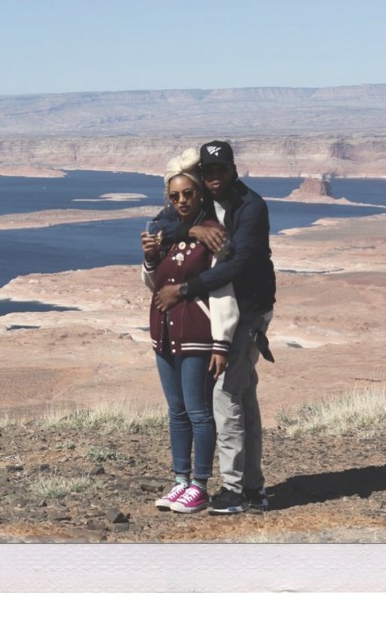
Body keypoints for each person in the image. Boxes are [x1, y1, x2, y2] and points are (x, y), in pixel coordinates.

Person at [151, 141, 276, 515]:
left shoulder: (251, 207)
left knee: (224, 397)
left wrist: (185, 289)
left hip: (248, 310)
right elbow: (161, 224)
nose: (215, 178)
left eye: (221, 171)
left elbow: (237, 265)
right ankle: (253, 490)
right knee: (242, 399)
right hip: (226, 306)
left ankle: (235, 491)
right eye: (209, 172)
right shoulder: (202, 198)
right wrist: (192, 233)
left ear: (234, 170)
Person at [141, 148, 239, 514]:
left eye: (188, 194)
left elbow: (223, 290)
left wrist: (221, 344)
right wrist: (150, 258)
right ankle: (180, 480)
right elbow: (153, 283)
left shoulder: (213, 234)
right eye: (175, 195)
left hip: (198, 334)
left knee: (199, 412)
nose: (182, 201)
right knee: (176, 411)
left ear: (200, 193)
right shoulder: (163, 230)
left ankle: (199, 485)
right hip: (164, 333)